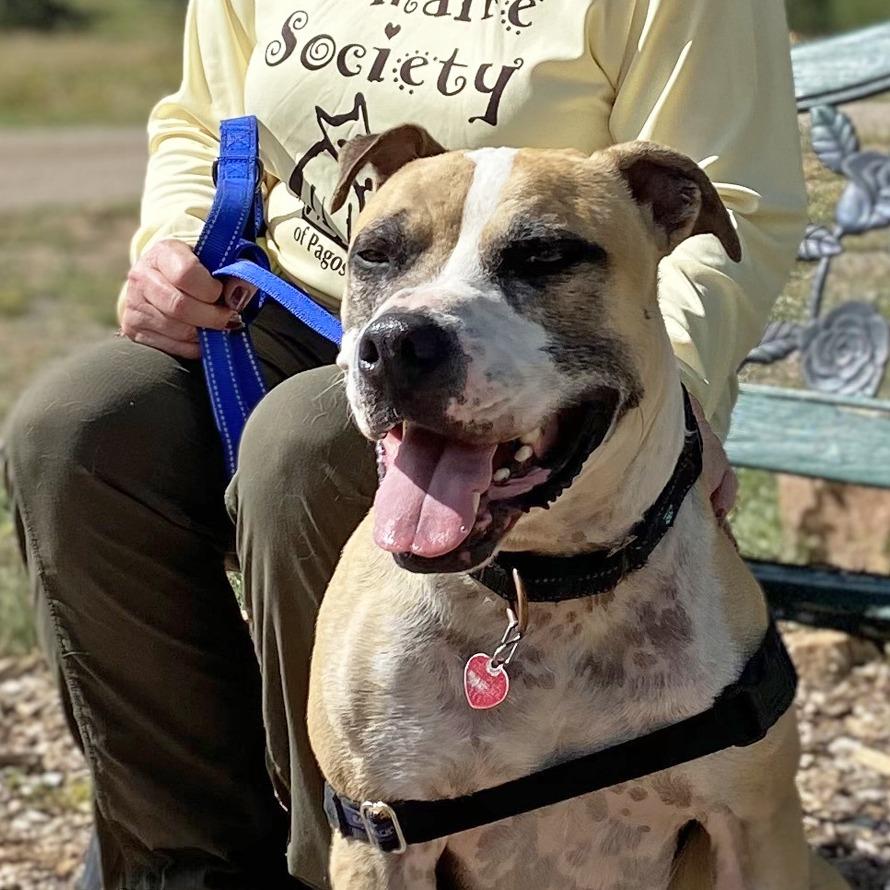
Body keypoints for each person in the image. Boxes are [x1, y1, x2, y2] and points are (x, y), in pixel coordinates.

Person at [2, 0, 806, 887]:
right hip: (304, 304)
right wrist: (175, 245)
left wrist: (670, 387)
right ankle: (185, 861)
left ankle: (338, 850)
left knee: (302, 449)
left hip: (524, 344)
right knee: (74, 431)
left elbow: (730, 198)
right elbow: (207, 119)